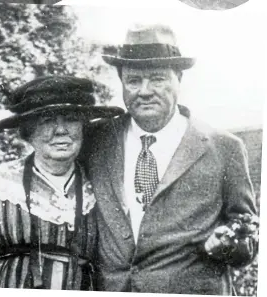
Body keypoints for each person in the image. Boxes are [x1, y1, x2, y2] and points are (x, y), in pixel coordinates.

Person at [84, 24, 259, 295]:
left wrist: (226, 244)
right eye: (133, 80)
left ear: (179, 78)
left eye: (157, 79)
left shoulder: (224, 148)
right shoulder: (96, 139)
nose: (144, 90)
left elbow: (247, 236)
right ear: (121, 83)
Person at [0, 76, 124, 289]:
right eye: (48, 120)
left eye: (70, 119)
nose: (61, 130)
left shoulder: (97, 188)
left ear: (83, 127)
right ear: (28, 132)